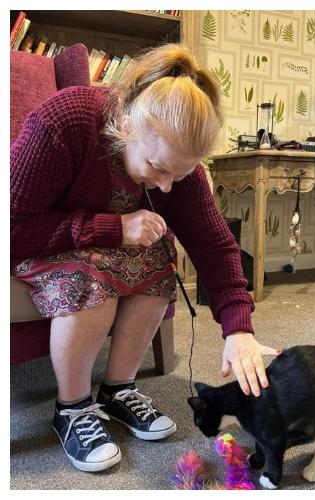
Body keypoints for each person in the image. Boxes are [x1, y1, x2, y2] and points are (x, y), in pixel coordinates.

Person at [11, 44, 280, 472]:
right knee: (94, 280)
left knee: (158, 260)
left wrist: (239, 328)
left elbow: (214, 244)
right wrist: (110, 228)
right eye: (158, 168)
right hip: (37, 238)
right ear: (124, 123)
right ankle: (72, 408)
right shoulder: (64, 122)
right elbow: (13, 227)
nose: (168, 187)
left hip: (99, 245)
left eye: (181, 173)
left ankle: (117, 390)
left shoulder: (176, 165)